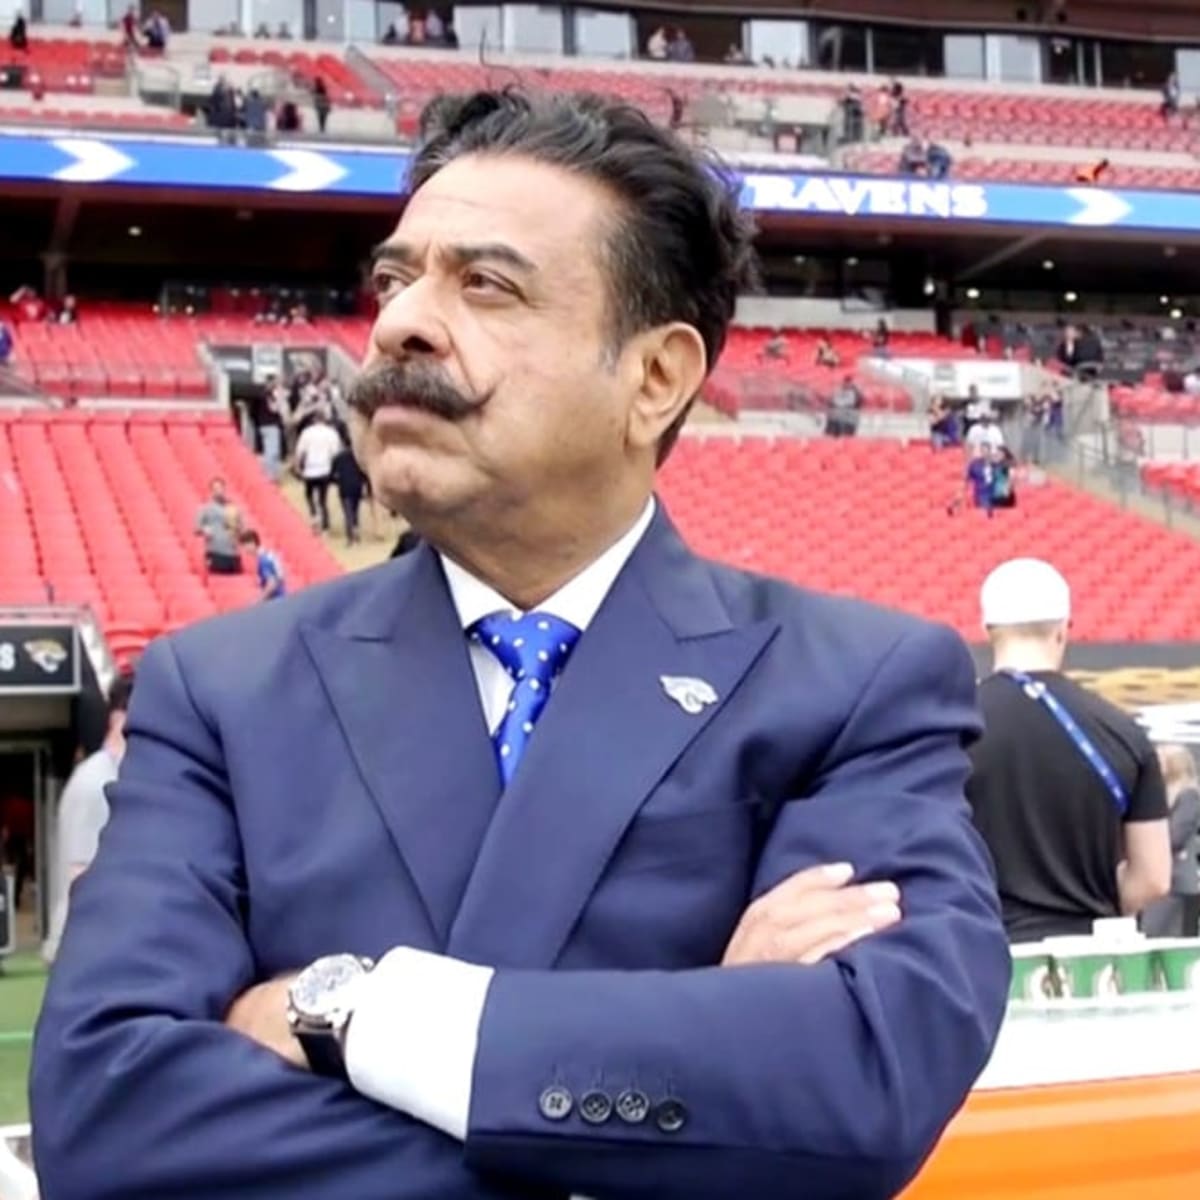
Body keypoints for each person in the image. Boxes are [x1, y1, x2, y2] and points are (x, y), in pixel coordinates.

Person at [33, 89, 1008, 1200]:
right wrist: (669, 1111)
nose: (398, 322)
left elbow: (861, 1082)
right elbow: (105, 1110)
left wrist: (346, 1010)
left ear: (656, 378)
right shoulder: (219, 690)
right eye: (397, 278)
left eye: (486, 286)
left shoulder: (855, 685)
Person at [967, 559, 1171, 943]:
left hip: (981, 952)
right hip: (1088, 957)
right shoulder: (1122, 731)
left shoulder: (952, 728)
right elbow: (1154, 878)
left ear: (987, 630)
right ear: (1063, 631)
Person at [42, 672, 135, 963]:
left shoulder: (119, 776)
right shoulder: (95, 782)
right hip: (86, 950)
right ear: (119, 718)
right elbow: (80, 875)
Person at [1141, 744, 1200, 937]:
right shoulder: (1162, 795)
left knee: (1164, 935)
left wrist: (1147, 840)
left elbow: (1176, 836)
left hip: (1177, 883)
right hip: (1161, 882)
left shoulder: (1188, 796)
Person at [195, 476, 243, 574]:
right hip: (215, 552)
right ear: (211, 491)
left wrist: (237, 528)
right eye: (216, 489)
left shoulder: (233, 508)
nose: (219, 491)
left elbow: (242, 528)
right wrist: (204, 530)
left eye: (221, 488)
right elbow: (196, 529)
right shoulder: (205, 508)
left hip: (233, 553)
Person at [240, 529, 287, 601]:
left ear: (252, 543)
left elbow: (272, 584)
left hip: (275, 601)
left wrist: (259, 600)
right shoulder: (269, 554)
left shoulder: (263, 561)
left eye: (245, 546)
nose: (245, 550)